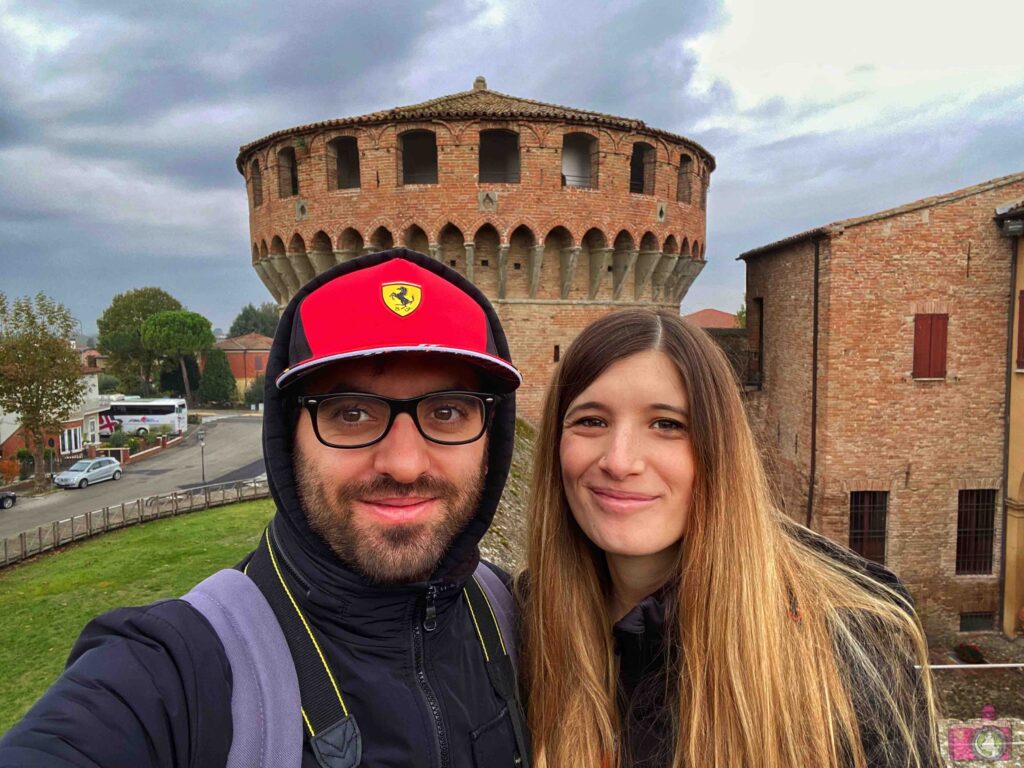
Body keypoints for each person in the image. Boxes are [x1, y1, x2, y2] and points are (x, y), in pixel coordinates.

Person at [0, 249, 529, 767]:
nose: (405, 464)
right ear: (287, 436)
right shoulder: (177, 670)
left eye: (447, 411)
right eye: (350, 414)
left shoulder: (518, 617)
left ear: (493, 435)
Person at [520, 308, 942, 768]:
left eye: (667, 425)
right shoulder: (519, 621)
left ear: (720, 449)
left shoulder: (845, 648)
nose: (620, 462)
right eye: (591, 421)